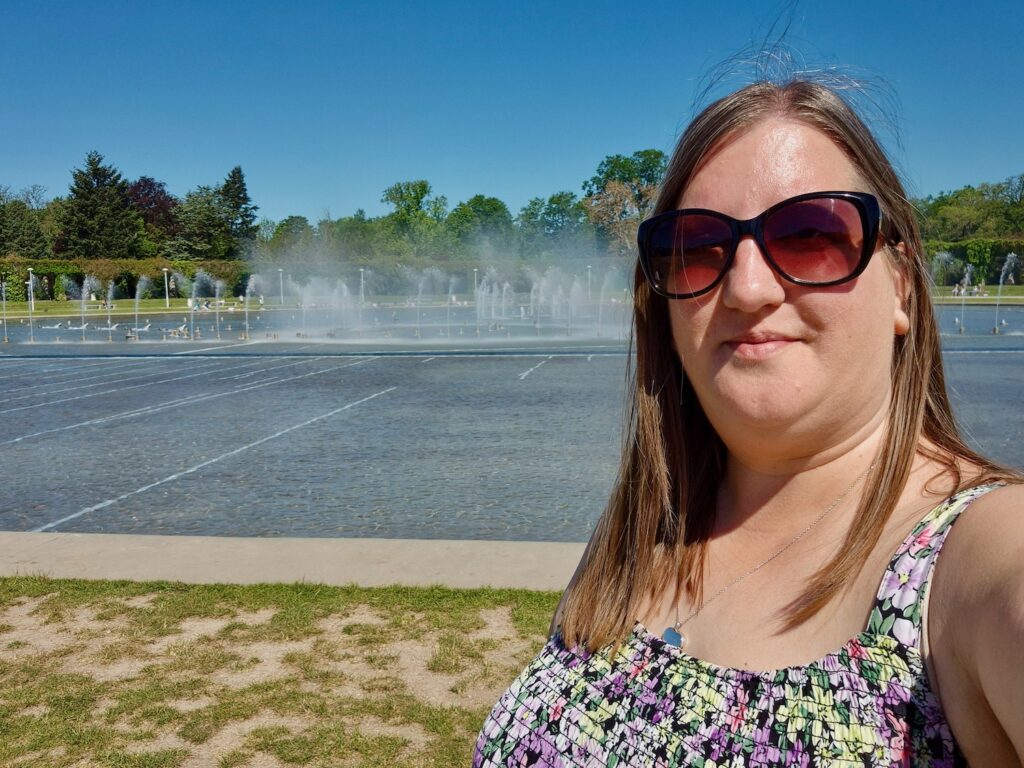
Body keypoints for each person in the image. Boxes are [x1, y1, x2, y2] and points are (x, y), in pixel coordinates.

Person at [474, 79, 1023, 766]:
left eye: (811, 234)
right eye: (698, 247)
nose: (747, 287)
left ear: (902, 286)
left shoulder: (976, 559)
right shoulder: (642, 532)